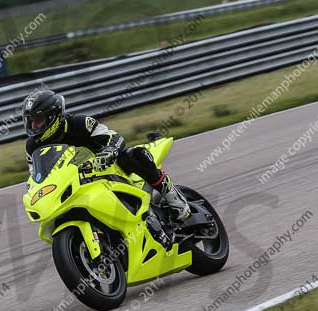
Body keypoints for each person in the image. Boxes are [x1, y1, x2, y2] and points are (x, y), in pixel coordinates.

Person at [22, 89, 191, 221]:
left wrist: (107, 153)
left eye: (39, 120)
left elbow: (114, 138)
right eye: (31, 121)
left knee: (135, 155)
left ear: (53, 116)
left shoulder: (79, 123)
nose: (34, 126)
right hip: (75, 179)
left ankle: (174, 198)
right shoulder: (32, 146)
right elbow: (36, 174)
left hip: (107, 166)